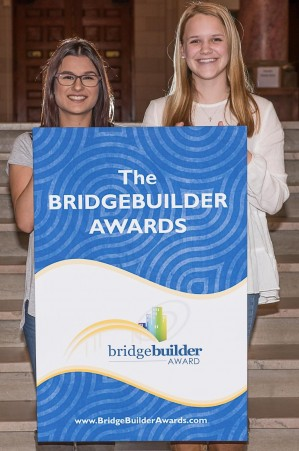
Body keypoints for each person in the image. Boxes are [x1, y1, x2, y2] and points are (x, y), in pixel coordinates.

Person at [143, 2, 289, 451]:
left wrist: (238, 155)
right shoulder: (160, 111)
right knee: (180, 388)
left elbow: (275, 199)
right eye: (195, 40)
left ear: (232, 47)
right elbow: (144, 202)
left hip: (236, 269)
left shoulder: (259, 112)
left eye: (215, 38)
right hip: (173, 271)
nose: (206, 49)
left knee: (224, 387)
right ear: (182, 52)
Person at [8, 37, 114, 381]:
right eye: (67, 77)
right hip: (50, 301)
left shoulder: (122, 144)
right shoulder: (31, 145)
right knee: (56, 419)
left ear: (101, 85)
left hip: (112, 300)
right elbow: (26, 220)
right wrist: (57, 151)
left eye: (88, 76)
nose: (78, 86)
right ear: (52, 86)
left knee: (101, 419)